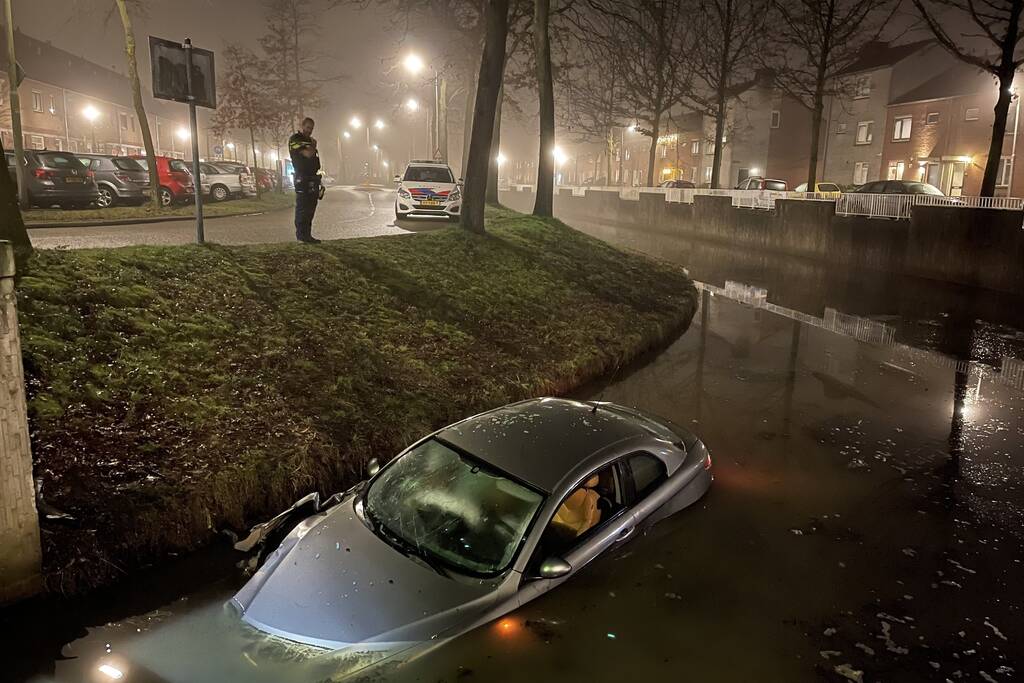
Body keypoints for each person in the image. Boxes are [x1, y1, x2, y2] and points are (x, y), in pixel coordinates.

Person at [288, 117, 323, 243]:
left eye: (311, 128)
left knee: (310, 208)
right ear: (302, 126)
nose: (309, 130)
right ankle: (301, 237)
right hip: (302, 178)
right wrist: (313, 146)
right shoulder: (295, 139)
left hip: (312, 178)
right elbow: (307, 154)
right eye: (308, 127)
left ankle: (307, 235)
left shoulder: (309, 141)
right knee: (303, 207)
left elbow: (315, 161)